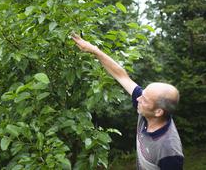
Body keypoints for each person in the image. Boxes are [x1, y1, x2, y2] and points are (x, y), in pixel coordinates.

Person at [71, 34, 184, 170]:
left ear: (158, 112)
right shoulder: (148, 110)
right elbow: (122, 76)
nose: (138, 99)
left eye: (144, 99)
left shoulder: (169, 151)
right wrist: (94, 50)